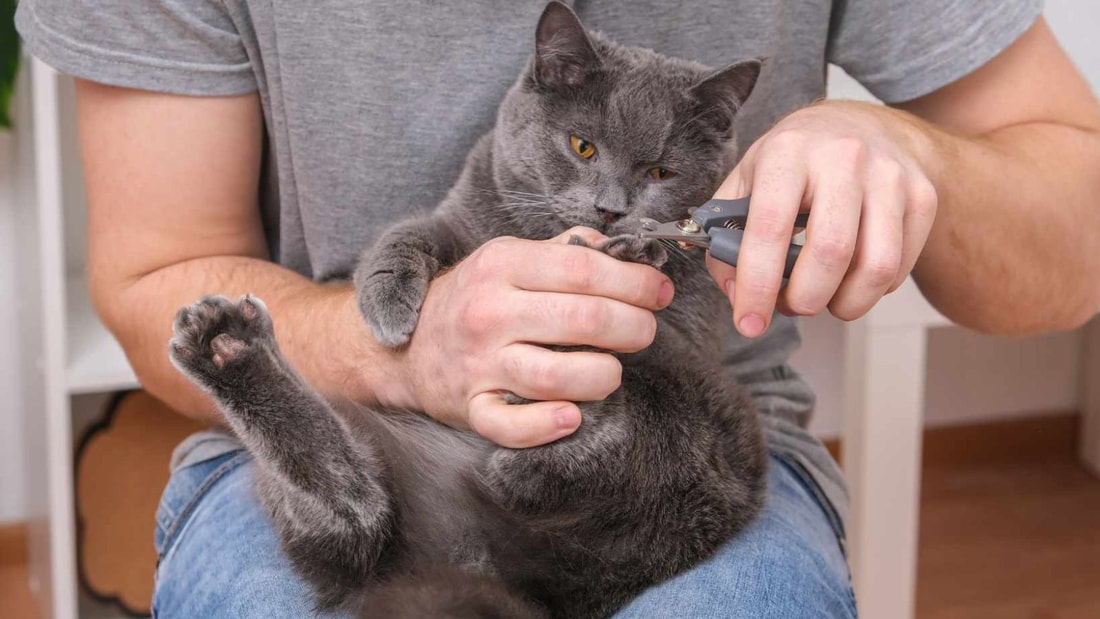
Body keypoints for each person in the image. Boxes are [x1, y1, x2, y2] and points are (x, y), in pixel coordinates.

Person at [16, 0, 1100, 616]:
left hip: (667, 468)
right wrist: (395, 354)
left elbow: (1074, 228)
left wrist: (910, 152)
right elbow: (160, 273)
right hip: (345, 411)